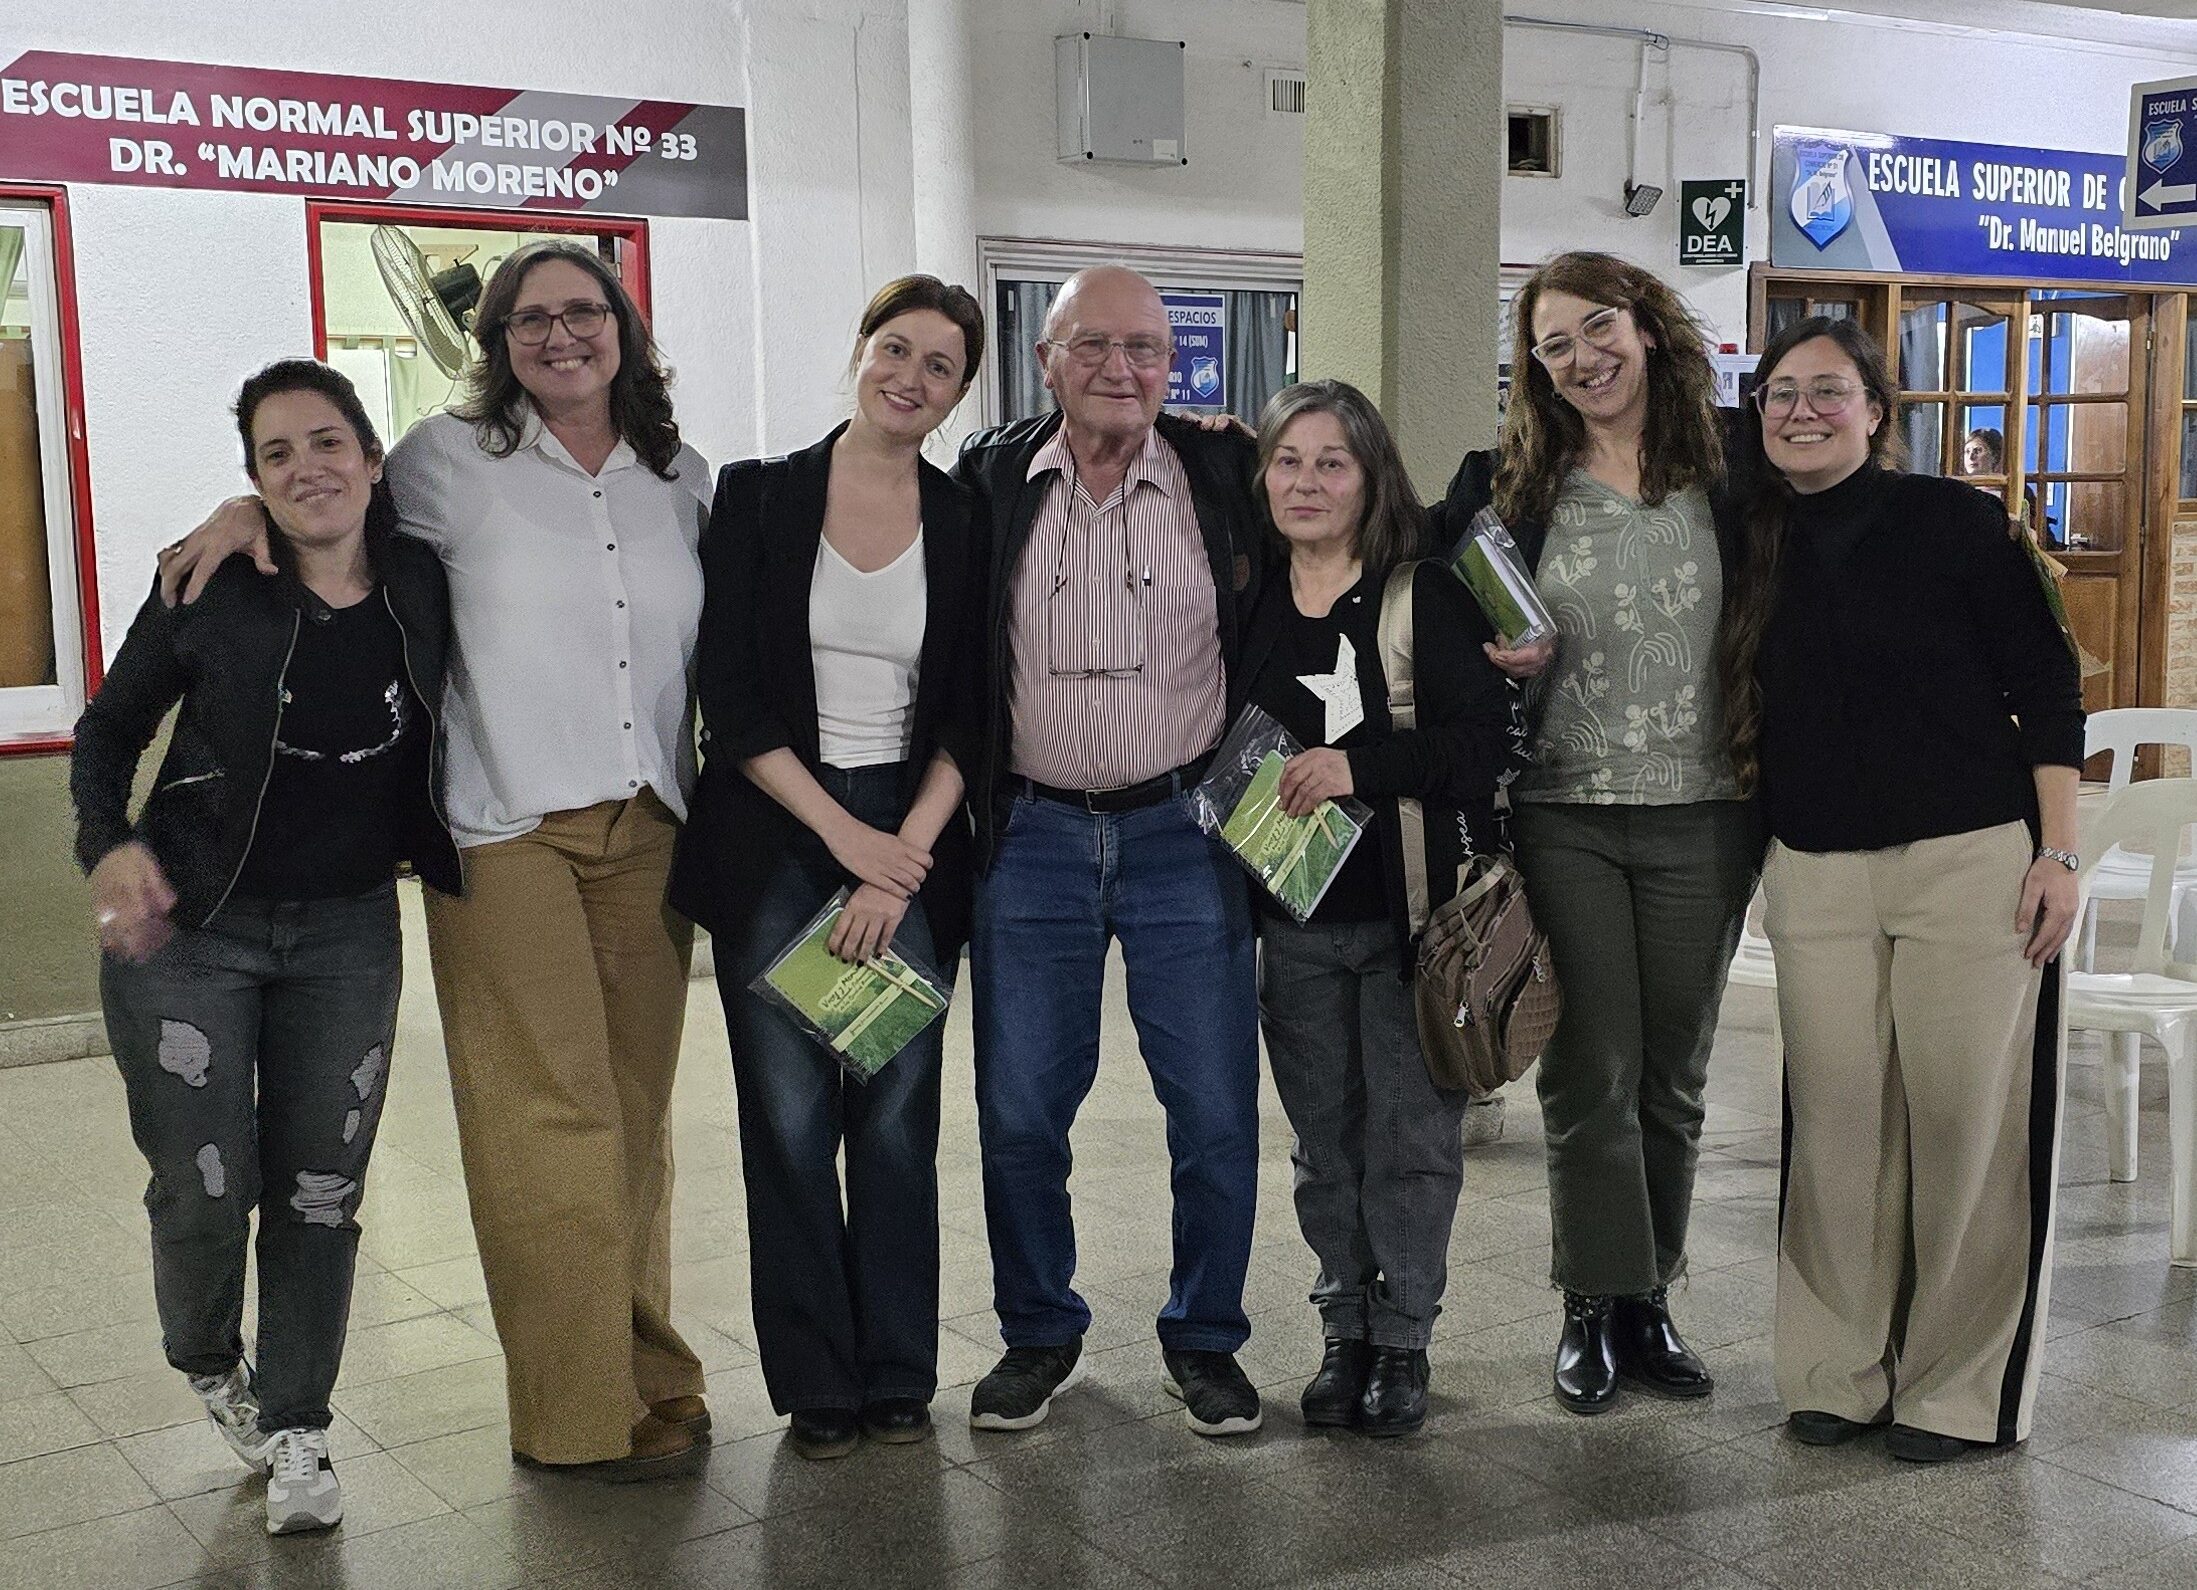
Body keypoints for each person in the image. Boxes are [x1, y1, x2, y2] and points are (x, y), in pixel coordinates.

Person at [156, 241, 713, 1478]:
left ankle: (649, 1371)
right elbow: (326, 507)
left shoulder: (680, 476)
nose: (560, 336)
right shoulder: (447, 459)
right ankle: (574, 1416)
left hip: (650, 828)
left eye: (582, 312)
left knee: (635, 1121)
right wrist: (242, 508)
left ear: (621, 326)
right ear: (497, 340)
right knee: (547, 1122)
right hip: (508, 829)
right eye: (530, 319)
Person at [71, 360, 459, 1534]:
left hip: (347, 933)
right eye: (275, 456)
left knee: (320, 1192)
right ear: (251, 479)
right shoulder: (211, 586)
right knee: (206, 1190)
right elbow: (108, 729)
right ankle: (206, 1355)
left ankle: (298, 1425)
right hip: (192, 929)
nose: (307, 469)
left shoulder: (424, 579)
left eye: (328, 442)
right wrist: (107, 846)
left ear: (373, 459)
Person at [1726, 316, 2082, 1463]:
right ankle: (1837, 1370)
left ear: (1876, 410)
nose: (1801, 411)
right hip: (1814, 866)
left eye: (1827, 391)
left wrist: (2059, 854)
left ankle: (1959, 1392)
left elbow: (2049, 690)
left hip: (1969, 863)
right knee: (1835, 1124)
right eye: (1781, 393)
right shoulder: (1745, 536)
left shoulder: (1955, 523)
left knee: (1966, 1123)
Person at [1429, 251, 1761, 1416]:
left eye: (1597, 329)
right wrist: (1496, 660)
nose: (1581, 358)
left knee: (1673, 1074)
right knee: (1589, 1070)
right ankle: (1590, 1299)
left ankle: (1648, 1299)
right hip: (1563, 809)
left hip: (1709, 812)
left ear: (1646, 325)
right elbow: (1419, 599)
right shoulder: (1507, 483)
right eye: (1553, 344)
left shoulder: (1731, 463)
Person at [668, 275, 984, 1460]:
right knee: (790, 1122)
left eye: (939, 365)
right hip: (777, 833)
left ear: (958, 392)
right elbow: (729, 690)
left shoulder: (964, 518)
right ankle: (816, 1381)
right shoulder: (760, 495)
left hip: (911, 830)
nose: (910, 377)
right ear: (858, 352)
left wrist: (899, 861)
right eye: (894, 348)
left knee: (896, 1119)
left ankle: (898, 1368)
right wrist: (845, 843)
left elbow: (974, 710)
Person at [954, 264, 1271, 1437]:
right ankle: (1038, 1331)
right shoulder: (989, 478)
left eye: (1145, 348)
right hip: (1029, 837)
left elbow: (1344, 543)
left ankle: (1205, 1338)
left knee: (1216, 1113)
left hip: (1186, 833)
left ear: (1173, 366)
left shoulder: (1224, 475)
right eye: (1091, 344)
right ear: (1045, 359)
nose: (1120, 369)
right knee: (1020, 1112)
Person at [1238, 380, 1521, 1435]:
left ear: (1371, 479)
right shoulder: (1246, 597)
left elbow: (1480, 748)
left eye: (1332, 462)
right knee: (1323, 1145)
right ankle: (1342, 1330)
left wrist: (1355, 769)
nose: (1306, 482)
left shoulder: (1419, 596)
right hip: (1290, 922)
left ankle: (1402, 1339)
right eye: (1287, 460)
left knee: (1410, 1142)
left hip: (1411, 924)